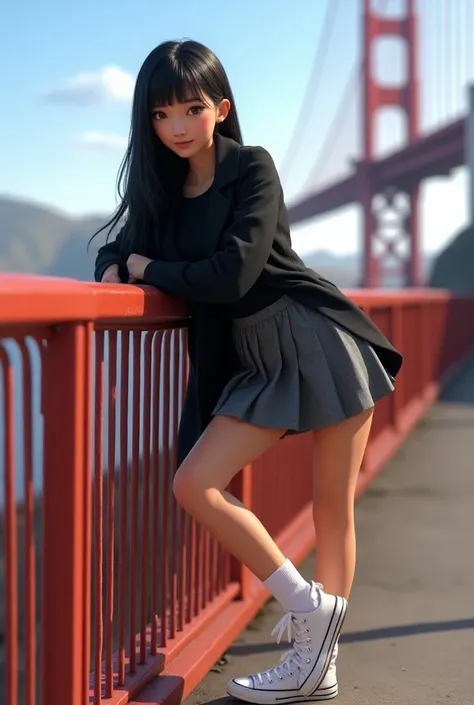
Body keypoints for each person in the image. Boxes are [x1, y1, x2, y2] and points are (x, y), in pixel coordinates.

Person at [91, 40, 402, 703]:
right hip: (257, 357)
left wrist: (148, 268)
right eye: (161, 114)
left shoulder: (252, 169)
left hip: (315, 338)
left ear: (221, 108)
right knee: (194, 482)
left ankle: (316, 664)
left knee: (330, 507)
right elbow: (116, 253)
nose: (177, 126)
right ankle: (309, 615)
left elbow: (234, 273)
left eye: (192, 109)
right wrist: (126, 265)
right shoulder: (162, 192)